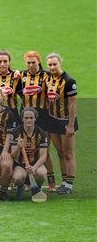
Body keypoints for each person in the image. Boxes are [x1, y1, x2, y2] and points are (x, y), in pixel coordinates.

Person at [19, 51, 56, 191]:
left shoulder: (47, 75)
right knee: (27, 148)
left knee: (45, 149)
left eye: (33, 62)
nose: (31, 65)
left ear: (38, 61)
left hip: (43, 116)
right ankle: (28, 182)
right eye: (28, 62)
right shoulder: (21, 76)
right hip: (26, 116)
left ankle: (52, 180)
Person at [45, 53, 78, 194]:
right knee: (59, 152)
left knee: (68, 153)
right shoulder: (48, 78)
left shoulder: (69, 81)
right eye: (50, 65)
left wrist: (71, 125)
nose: (52, 67)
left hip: (65, 122)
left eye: (54, 64)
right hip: (53, 120)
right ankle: (64, 182)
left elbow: (72, 105)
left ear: (60, 63)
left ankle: (69, 185)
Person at [10, 107, 49, 200]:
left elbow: (44, 156)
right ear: (22, 118)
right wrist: (18, 148)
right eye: (26, 118)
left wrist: (34, 168)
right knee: (17, 178)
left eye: (31, 118)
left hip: (36, 164)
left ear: (35, 118)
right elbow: (13, 156)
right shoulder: (16, 132)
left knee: (42, 173)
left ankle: (37, 188)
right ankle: (21, 187)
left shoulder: (41, 133)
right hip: (20, 165)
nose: (29, 120)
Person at [0, 49, 21, 123]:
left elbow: (24, 96)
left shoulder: (16, 76)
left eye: (5, 61)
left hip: (12, 113)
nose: (2, 64)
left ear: (9, 62)